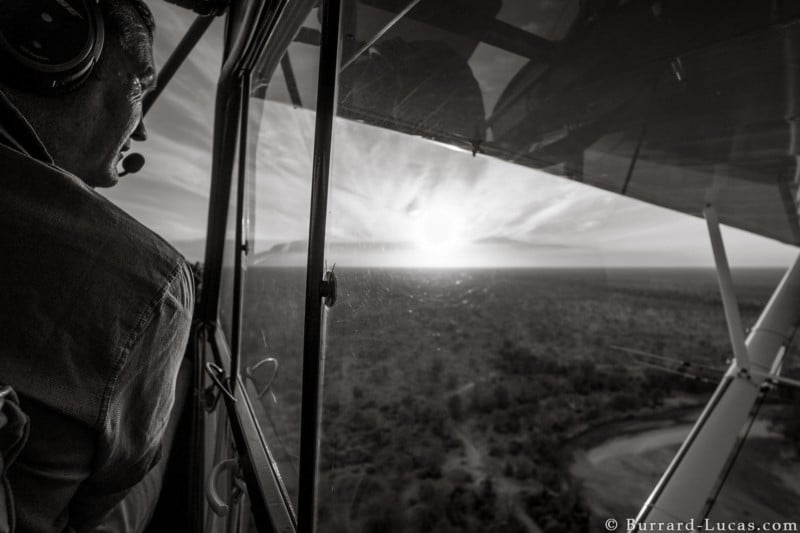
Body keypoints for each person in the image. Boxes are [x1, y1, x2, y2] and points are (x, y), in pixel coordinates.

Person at [0, 0, 194, 531]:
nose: (144, 130)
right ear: (59, 52)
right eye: (140, 87)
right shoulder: (153, 283)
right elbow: (99, 502)